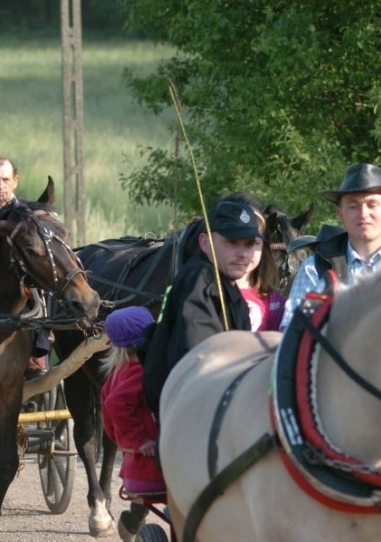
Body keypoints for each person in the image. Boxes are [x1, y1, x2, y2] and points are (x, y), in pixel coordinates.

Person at [142, 199, 260, 418]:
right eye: (232, 242)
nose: (243, 253)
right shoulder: (200, 279)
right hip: (193, 415)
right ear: (205, 243)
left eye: (249, 243)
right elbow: (201, 353)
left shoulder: (226, 284)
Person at [280, 162, 381, 330]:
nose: (363, 214)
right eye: (353, 206)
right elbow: (293, 329)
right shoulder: (316, 267)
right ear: (340, 214)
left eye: (372, 205)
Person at [100, 306, 165, 541]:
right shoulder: (140, 371)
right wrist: (139, 440)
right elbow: (115, 405)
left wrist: (122, 441)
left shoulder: (119, 372)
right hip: (149, 466)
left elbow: (108, 416)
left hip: (136, 466)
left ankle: (135, 517)